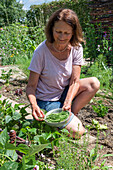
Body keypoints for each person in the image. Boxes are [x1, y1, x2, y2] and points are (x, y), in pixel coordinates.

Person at [26, 8, 100, 138]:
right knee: (79, 132)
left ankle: (70, 114)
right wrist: (34, 105)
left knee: (93, 83)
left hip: (64, 92)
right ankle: (60, 121)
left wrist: (68, 101)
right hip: (47, 99)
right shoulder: (41, 51)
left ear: (73, 33)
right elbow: (31, 87)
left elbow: (75, 81)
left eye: (67, 33)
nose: (61, 37)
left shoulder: (76, 48)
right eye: (58, 32)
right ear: (51, 29)